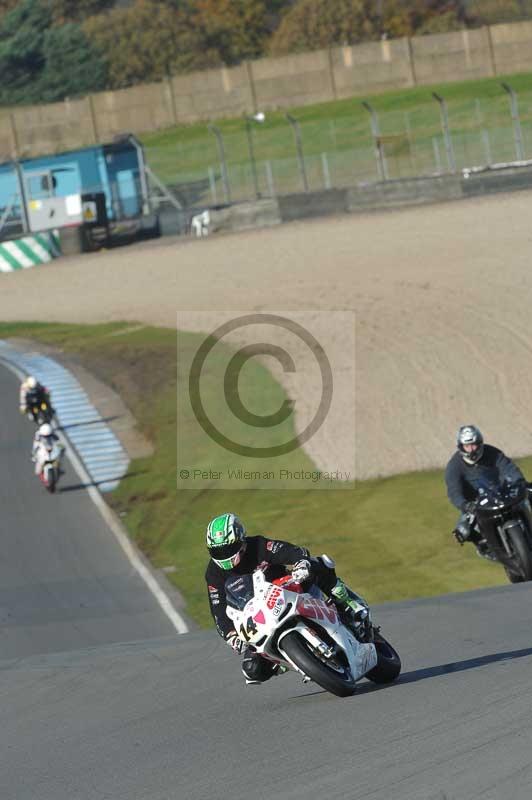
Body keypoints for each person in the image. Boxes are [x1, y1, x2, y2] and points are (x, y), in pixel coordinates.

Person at [205, 512, 368, 685]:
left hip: (287, 588)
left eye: (227, 549)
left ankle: (346, 601)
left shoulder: (258, 545)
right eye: (217, 551)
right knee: (252, 670)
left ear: (241, 540)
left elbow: (290, 551)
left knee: (313, 564)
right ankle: (291, 660)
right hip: (258, 614)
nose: (223, 555)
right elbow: (218, 610)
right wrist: (231, 635)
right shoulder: (213, 573)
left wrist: (300, 563)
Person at [445, 425, 527, 554]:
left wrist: (518, 481)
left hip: (502, 492)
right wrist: (465, 505)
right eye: (467, 446)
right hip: (476, 503)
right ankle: (485, 547)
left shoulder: (493, 453)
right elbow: (454, 491)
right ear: (461, 447)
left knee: (528, 493)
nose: (471, 450)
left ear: (480, 443)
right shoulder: (453, 466)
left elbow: (508, 467)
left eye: (473, 445)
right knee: (463, 531)